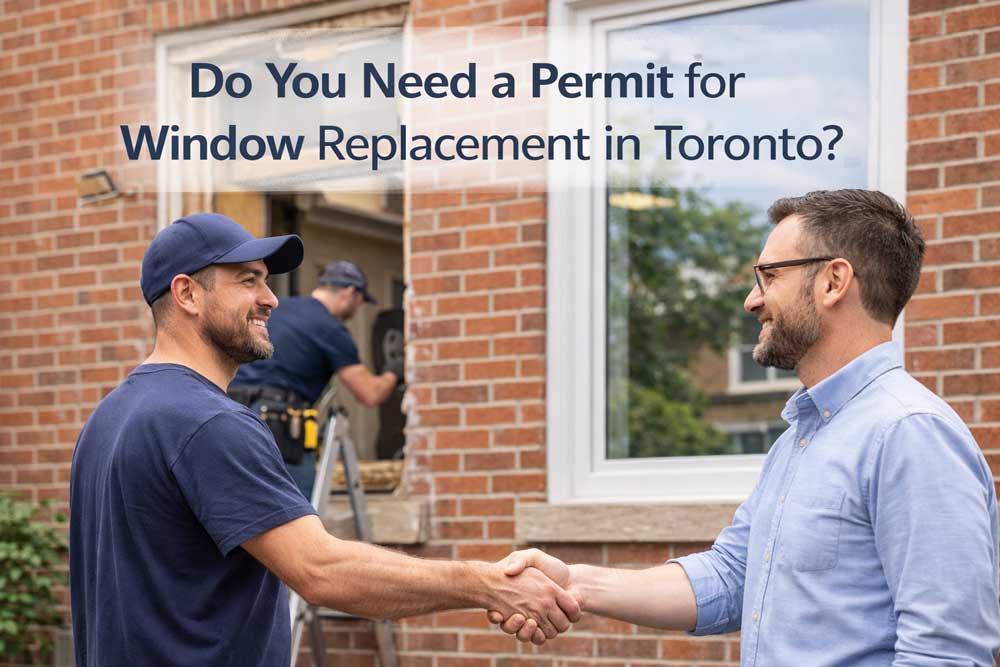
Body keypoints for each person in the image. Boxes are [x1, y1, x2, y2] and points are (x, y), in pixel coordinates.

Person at [489, 190, 1000, 664]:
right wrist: (573, 583)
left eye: (769, 276)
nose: (752, 301)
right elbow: (733, 576)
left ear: (832, 282)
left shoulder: (910, 434)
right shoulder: (802, 438)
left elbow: (946, 652)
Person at [69, 213, 579, 667]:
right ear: (187, 294)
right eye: (249, 281)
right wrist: (486, 583)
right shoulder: (209, 423)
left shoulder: (109, 418)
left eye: (267, 282)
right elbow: (322, 571)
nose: (270, 299)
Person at [230, 260, 401, 497]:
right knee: (293, 510)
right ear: (351, 293)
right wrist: (394, 371)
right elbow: (370, 394)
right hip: (278, 425)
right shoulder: (331, 328)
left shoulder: (276, 309)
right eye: (360, 302)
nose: (357, 309)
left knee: (238, 498)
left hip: (232, 413)